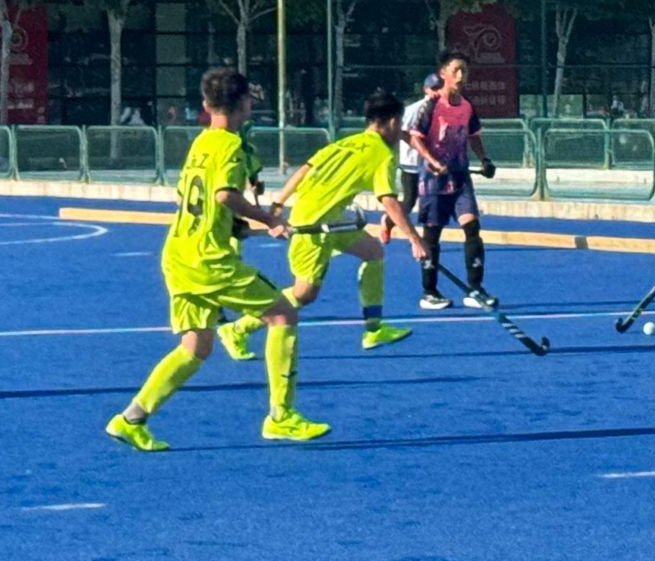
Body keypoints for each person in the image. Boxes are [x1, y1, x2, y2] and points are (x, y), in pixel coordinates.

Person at [107, 68, 328, 452]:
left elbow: (191, 198)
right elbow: (224, 194)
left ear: (206, 105)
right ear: (244, 103)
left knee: (196, 347)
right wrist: (269, 219)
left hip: (179, 253)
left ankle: (131, 419)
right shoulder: (230, 145)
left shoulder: (202, 142)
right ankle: (281, 417)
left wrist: (233, 226)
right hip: (208, 260)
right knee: (282, 314)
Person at [221, 88, 426, 360]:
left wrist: (280, 201)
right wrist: (415, 240)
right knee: (303, 294)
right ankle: (237, 329)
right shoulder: (383, 154)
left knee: (373, 252)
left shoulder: (344, 143)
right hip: (314, 225)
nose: (399, 132)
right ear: (391, 122)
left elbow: (304, 169)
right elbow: (388, 201)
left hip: (331, 220)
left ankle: (373, 329)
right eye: (398, 125)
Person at [407, 51, 499, 311]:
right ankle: (429, 291)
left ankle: (475, 289)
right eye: (456, 70)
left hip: (460, 177)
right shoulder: (432, 105)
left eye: (464, 71)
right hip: (434, 180)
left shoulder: (467, 106)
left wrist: (484, 159)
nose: (461, 76)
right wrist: (433, 161)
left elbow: (473, 135)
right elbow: (415, 138)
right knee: (432, 234)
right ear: (443, 74)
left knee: (472, 228)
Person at [396, 71, 441, 224]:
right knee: (410, 200)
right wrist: (417, 145)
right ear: (426, 90)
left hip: (430, 164)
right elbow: (401, 131)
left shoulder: (444, 109)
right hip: (412, 163)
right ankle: (389, 220)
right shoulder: (414, 109)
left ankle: (428, 227)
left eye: (440, 88)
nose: (437, 92)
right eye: (434, 88)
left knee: (432, 197)